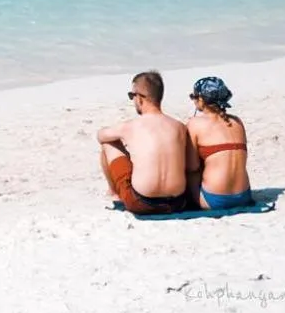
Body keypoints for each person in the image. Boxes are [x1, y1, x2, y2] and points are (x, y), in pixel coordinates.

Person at [97, 71, 192, 214]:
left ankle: (113, 192)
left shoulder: (131, 126)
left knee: (108, 143)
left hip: (142, 203)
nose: (133, 100)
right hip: (178, 202)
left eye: (132, 96)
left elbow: (101, 136)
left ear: (140, 98)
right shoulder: (179, 127)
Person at [186, 76, 253, 209]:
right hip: (244, 196)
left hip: (213, 199)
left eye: (193, 96)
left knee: (190, 173)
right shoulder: (237, 122)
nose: (193, 100)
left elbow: (192, 167)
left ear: (201, 99)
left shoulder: (195, 124)